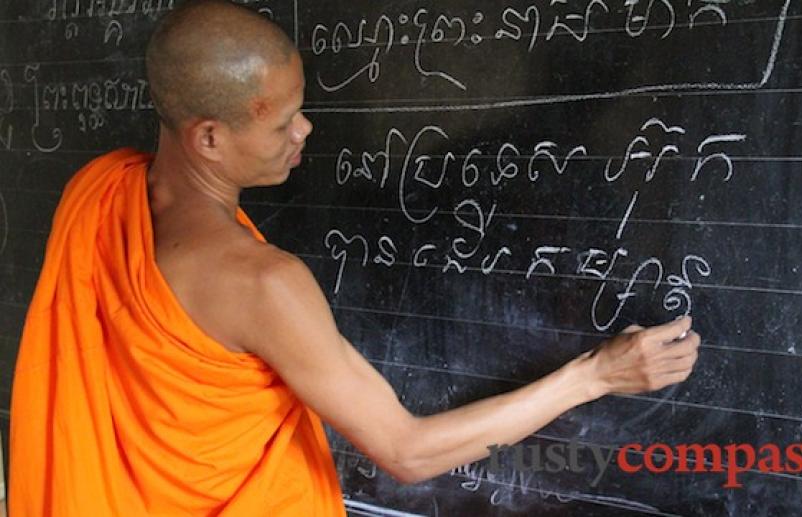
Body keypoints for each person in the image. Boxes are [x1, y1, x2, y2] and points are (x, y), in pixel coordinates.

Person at [8, 1, 701, 515]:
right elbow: (405, 451)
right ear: (209, 138)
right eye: (281, 122)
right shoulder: (263, 283)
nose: (303, 131)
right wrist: (596, 373)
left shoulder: (96, 190)